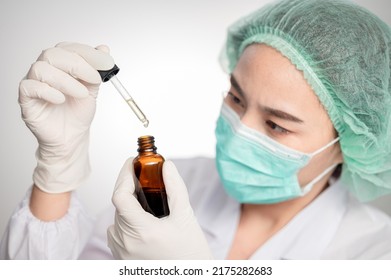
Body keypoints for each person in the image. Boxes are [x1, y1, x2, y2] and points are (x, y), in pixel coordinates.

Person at [1, 0, 391, 260]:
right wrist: (57, 169)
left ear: (351, 143)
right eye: (236, 99)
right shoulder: (179, 181)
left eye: (276, 125)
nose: (238, 133)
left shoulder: (373, 251)